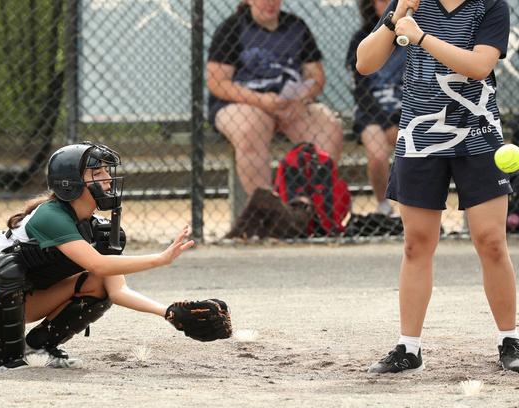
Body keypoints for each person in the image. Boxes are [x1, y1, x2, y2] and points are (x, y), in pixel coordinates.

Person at [0, 142, 231, 371]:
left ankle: (38, 347)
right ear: (70, 183)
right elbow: (97, 263)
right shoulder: (50, 215)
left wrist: (167, 312)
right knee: (7, 268)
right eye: (97, 173)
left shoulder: (99, 230)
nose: (107, 179)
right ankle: (4, 359)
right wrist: (160, 259)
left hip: (23, 297)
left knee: (99, 283)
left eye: (106, 172)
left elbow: (116, 289)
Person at [357, 0, 519, 373]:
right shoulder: (411, 4)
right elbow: (365, 63)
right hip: (420, 136)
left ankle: (509, 339)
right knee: (416, 243)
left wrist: (421, 37)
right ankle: (408, 348)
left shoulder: (490, 5)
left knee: (491, 241)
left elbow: (479, 66)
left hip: (478, 134)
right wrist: (397, 17)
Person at [206, 0, 344, 237]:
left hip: (289, 103)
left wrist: (300, 99)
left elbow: (316, 76)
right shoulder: (232, 28)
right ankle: (270, 215)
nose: (270, 3)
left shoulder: (296, 26)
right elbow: (217, 82)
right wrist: (261, 101)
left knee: (329, 129)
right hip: (244, 103)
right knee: (249, 128)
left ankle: (306, 211)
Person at [346, 0, 406, 217]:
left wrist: (397, 118)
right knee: (378, 155)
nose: (388, 3)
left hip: (405, 110)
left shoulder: (412, 34)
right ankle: (383, 205)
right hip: (371, 113)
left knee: (417, 150)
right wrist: (385, 121)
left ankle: (415, 207)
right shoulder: (361, 38)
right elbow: (360, 90)